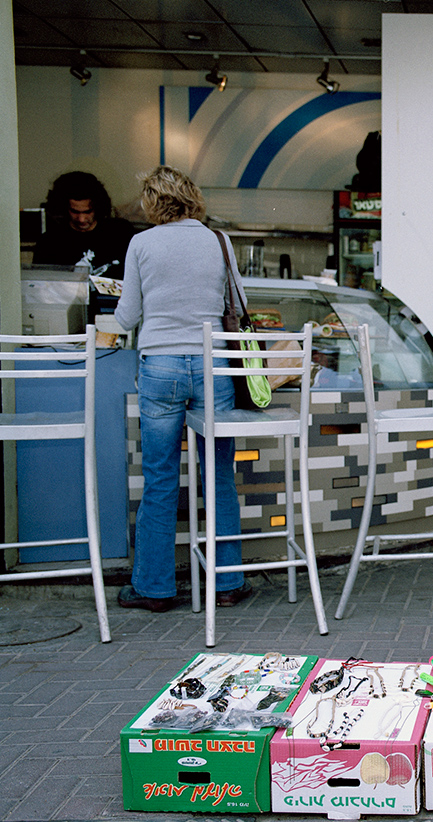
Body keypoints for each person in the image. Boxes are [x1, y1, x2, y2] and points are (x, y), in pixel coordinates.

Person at [114, 166, 250, 612]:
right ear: (192, 196)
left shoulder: (142, 243)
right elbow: (241, 306)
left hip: (161, 367)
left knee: (160, 479)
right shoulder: (218, 241)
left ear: (152, 201)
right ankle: (228, 582)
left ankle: (154, 588)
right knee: (219, 477)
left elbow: (127, 315)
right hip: (215, 368)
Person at [33, 171, 134, 277]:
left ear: (98, 208)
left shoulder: (121, 233)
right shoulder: (49, 241)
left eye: (88, 212)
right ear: (63, 208)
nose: (81, 219)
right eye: (74, 212)